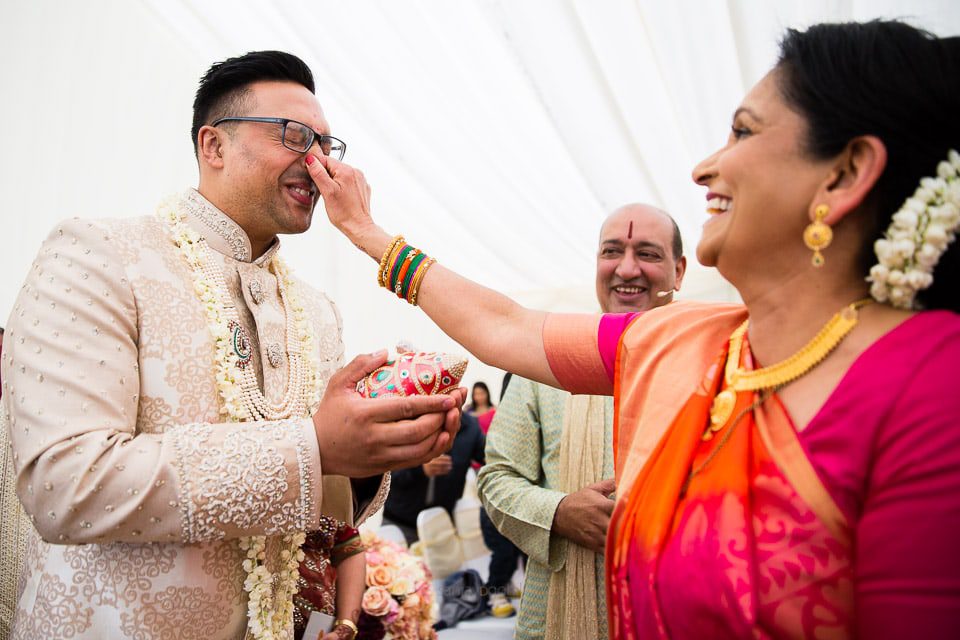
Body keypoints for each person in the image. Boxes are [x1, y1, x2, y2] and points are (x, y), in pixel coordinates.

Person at [307, 20, 960, 639]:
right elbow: (505, 326)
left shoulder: (933, 390)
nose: (705, 167)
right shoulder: (685, 341)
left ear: (843, 175)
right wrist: (367, 233)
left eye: (743, 132)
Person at [0, 51, 464, 640]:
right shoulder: (99, 254)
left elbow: (324, 519)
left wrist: (375, 449)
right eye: (295, 136)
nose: (319, 160)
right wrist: (314, 446)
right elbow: (64, 484)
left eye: (327, 144)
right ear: (213, 146)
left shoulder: (317, 313)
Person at [478, 204, 686, 639]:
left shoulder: (711, 363)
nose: (627, 269)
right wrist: (559, 512)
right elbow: (496, 478)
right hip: (556, 612)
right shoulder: (545, 364)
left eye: (648, 254)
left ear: (679, 271)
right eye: (612, 251)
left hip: (679, 608)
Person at [382, 411, 485, 545]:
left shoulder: (470, 427)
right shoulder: (404, 421)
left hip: (441, 524)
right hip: (399, 522)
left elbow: (491, 457)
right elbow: (384, 472)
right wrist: (419, 469)